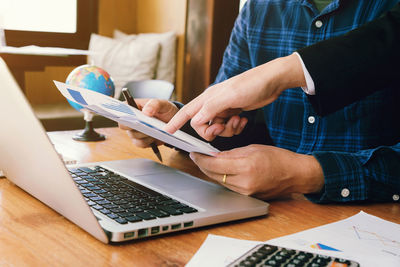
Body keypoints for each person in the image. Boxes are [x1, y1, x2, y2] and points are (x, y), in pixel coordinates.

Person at [121, 0, 400, 203]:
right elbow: (234, 124)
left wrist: (309, 174)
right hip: (271, 213)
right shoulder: (258, 9)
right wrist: (180, 124)